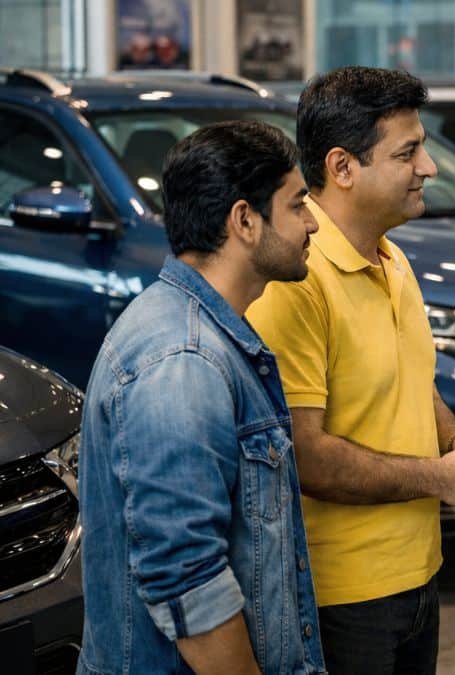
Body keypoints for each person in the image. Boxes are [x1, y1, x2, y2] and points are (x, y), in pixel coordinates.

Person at [246, 66, 455, 675]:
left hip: (419, 574)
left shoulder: (393, 258)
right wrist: (441, 479)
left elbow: (411, 381)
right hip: (343, 597)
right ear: (342, 168)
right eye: (408, 152)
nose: (429, 167)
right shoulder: (296, 282)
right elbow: (304, 454)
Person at [77, 121, 324, 674]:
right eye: (297, 204)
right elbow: (189, 580)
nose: (311, 223)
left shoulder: (207, 335)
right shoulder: (182, 362)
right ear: (244, 220)